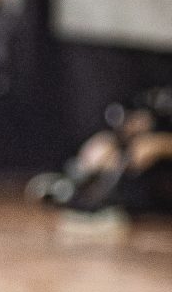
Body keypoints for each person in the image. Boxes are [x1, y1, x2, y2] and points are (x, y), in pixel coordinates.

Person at [26, 85, 172, 217]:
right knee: (102, 150)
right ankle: (72, 187)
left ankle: (90, 195)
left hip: (160, 181)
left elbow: (153, 145)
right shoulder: (149, 95)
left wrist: (161, 144)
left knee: (141, 153)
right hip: (140, 180)